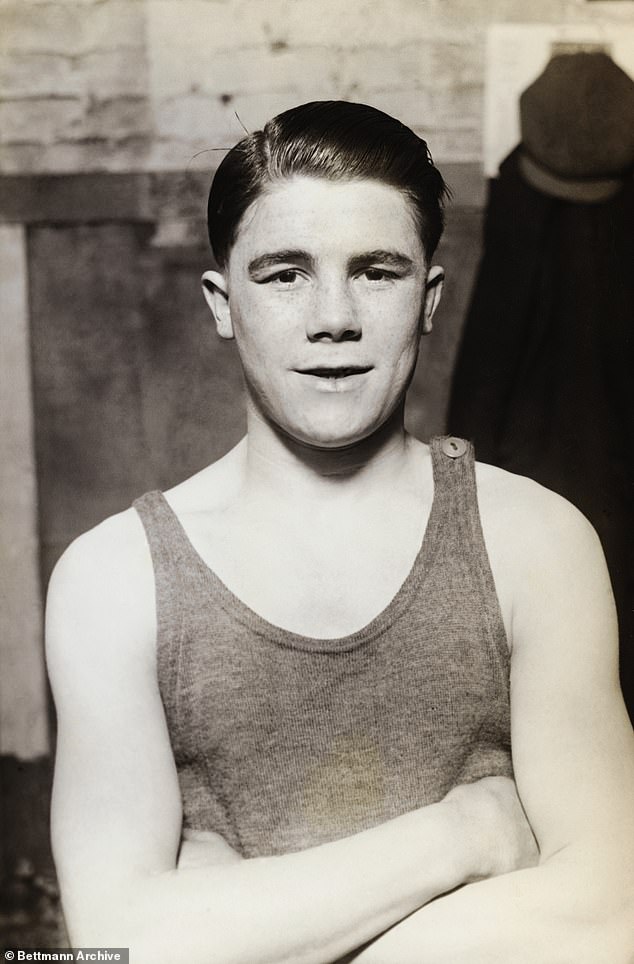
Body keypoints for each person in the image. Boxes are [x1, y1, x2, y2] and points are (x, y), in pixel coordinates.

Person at [46, 101, 634, 963]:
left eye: (378, 272)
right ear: (222, 302)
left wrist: (232, 930)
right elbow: (112, 947)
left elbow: (617, 911)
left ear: (429, 299)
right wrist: (463, 836)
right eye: (285, 273)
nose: (334, 316)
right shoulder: (113, 578)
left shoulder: (537, 541)